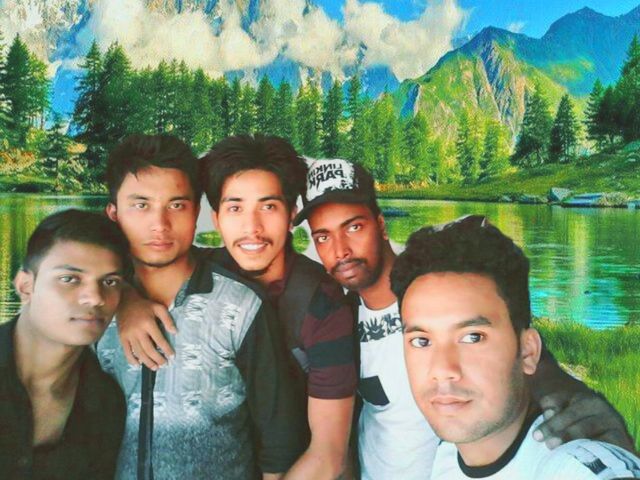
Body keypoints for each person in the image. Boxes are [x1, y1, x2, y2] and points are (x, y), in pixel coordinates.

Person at [294, 158, 636, 479]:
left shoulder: (436, 287)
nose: (341, 250)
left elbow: (519, 347)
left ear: (381, 225)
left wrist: (567, 392)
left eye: (354, 227)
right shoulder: (337, 316)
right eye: (323, 237)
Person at [117, 134, 357, 479]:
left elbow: (328, 456)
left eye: (268, 207)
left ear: (292, 215)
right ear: (216, 218)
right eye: (235, 208)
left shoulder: (322, 306)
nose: (252, 229)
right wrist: (126, 299)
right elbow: (137, 263)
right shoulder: (205, 269)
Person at [390, 217, 640, 479]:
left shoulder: (573, 466)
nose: (442, 370)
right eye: (422, 341)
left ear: (528, 351)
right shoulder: (447, 455)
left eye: (473, 337)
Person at [0, 209, 129, 479]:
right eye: (69, 279)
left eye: (109, 281)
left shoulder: (105, 402)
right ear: (25, 286)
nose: (95, 298)